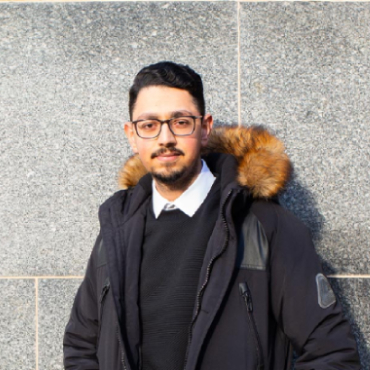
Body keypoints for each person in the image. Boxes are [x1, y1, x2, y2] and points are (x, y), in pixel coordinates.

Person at [63, 61, 360, 370]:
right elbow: (81, 344)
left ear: (204, 128)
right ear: (132, 135)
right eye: (149, 125)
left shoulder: (263, 226)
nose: (165, 138)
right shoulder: (117, 228)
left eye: (180, 122)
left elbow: (332, 353)